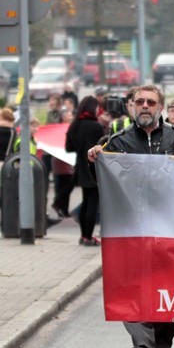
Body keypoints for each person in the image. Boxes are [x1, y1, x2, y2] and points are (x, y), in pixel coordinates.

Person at [87, 84, 174, 348]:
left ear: (160, 107)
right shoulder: (117, 142)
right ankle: (142, 344)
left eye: (151, 102)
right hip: (130, 227)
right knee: (130, 284)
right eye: (140, 101)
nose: (145, 106)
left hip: (169, 226)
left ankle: (160, 341)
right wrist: (96, 159)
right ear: (132, 106)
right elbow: (104, 181)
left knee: (167, 286)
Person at [65, 97, 105, 246]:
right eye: (96, 107)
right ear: (91, 108)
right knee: (92, 204)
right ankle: (89, 237)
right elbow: (101, 147)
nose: (97, 110)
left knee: (86, 201)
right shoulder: (96, 126)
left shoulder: (75, 125)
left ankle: (83, 236)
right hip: (93, 168)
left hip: (80, 168)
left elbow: (69, 147)